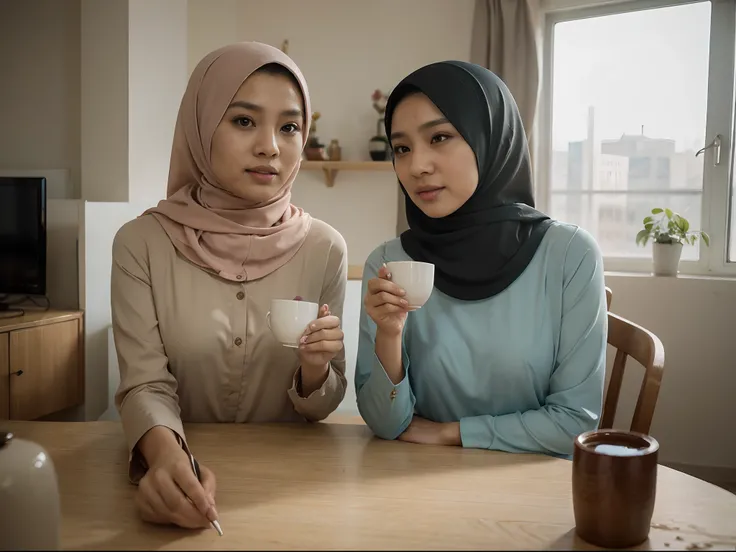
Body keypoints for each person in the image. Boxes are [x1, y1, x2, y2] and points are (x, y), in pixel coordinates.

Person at [111, 42, 347, 530]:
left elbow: (322, 407)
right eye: (244, 121)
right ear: (200, 128)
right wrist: (165, 460)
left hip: (293, 494)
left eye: (290, 127)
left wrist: (316, 372)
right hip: (185, 470)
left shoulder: (325, 248)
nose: (271, 146)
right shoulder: (141, 243)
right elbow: (144, 384)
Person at [355, 61, 607, 457]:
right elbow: (386, 425)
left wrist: (453, 433)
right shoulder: (389, 262)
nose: (416, 166)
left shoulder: (568, 256)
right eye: (401, 148)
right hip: (410, 485)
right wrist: (389, 334)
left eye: (439, 137)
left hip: (529, 491)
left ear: (491, 138)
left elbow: (574, 424)